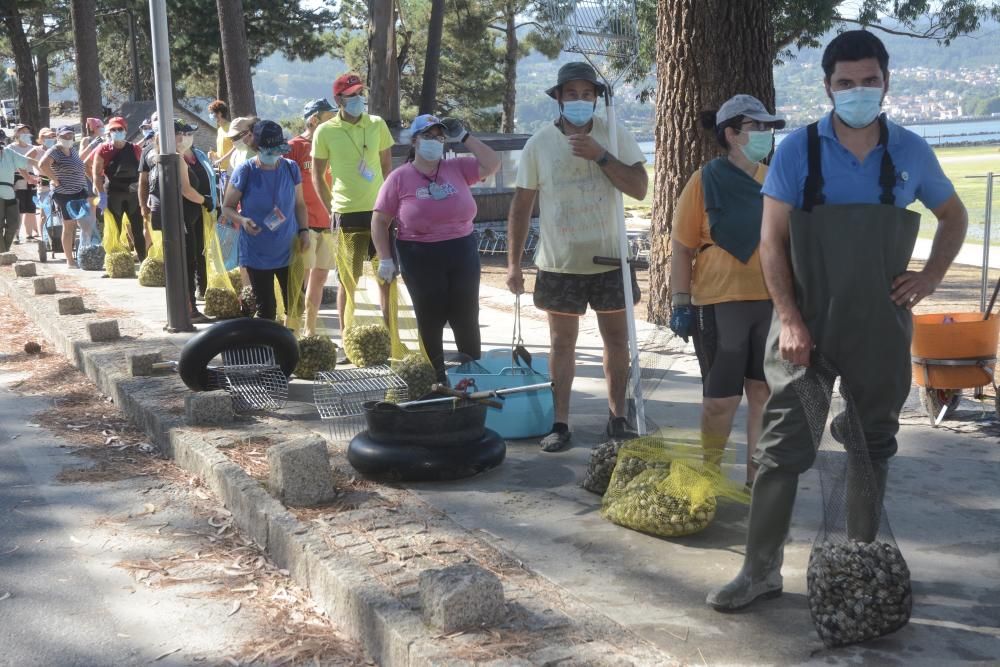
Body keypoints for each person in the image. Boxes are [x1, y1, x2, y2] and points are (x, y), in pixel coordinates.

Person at [706, 31, 968, 613]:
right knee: (780, 450)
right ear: (828, 87)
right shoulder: (798, 151)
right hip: (806, 324)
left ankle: (859, 565)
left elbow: (953, 215)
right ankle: (758, 571)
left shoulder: (909, 152)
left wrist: (927, 277)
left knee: (873, 444)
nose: (857, 91)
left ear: (885, 82)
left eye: (868, 80)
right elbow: (772, 244)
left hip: (878, 325)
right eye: (845, 82)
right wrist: (790, 320)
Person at [506, 61, 648, 452]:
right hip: (560, 262)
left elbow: (638, 187)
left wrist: (601, 156)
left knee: (617, 341)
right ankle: (560, 422)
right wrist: (514, 264)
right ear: (559, 99)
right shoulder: (539, 143)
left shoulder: (613, 133)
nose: (580, 101)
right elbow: (521, 206)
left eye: (588, 95)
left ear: (597, 100)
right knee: (561, 343)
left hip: (610, 261)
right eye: (572, 94)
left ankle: (618, 418)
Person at [669, 95, 785, 489]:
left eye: (768, 129)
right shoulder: (705, 180)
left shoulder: (776, 180)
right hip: (718, 304)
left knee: (763, 395)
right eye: (757, 128)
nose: (765, 136)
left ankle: (758, 482)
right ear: (732, 134)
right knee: (719, 401)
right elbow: (682, 247)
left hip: (770, 301)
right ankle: (710, 476)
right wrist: (680, 301)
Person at [372, 114, 500, 381]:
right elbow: (380, 220)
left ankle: (470, 376)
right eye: (428, 136)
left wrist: (464, 136)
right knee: (430, 318)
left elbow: (492, 163)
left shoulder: (457, 167)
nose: (434, 142)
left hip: (461, 250)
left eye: (439, 137)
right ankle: (435, 379)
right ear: (415, 141)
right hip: (419, 254)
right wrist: (385, 259)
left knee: (466, 316)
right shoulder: (400, 177)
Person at [311, 72, 395, 340]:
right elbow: (317, 173)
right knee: (349, 280)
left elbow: (386, 165)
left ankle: (391, 336)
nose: (358, 99)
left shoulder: (377, 124)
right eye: (351, 95)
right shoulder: (325, 131)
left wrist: (387, 203)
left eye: (360, 93)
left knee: (386, 276)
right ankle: (347, 336)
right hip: (346, 213)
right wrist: (330, 207)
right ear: (339, 100)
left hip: (379, 214)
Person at [222, 120, 309, 321]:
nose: (275, 155)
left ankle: (289, 346)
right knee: (267, 310)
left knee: (295, 306)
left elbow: (300, 205)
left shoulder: (291, 168)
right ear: (257, 147)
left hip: (288, 249)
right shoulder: (245, 171)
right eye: (269, 150)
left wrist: (304, 231)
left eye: (278, 150)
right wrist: (242, 220)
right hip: (256, 252)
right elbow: (227, 208)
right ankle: (267, 349)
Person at [141, 119, 212, 322]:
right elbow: (186, 190)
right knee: (186, 264)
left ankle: (182, 308)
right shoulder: (176, 159)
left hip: (171, 220)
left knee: (177, 264)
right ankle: (188, 310)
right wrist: (206, 201)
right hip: (180, 220)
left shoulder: (156, 156)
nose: (185, 137)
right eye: (181, 134)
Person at [286, 98, 337, 335]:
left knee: (320, 279)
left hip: (328, 224)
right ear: (314, 119)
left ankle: (311, 330)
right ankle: (292, 331)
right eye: (329, 116)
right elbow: (286, 188)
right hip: (303, 226)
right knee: (300, 280)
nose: (335, 120)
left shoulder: (334, 145)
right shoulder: (295, 146)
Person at [93, 116, 146, 261]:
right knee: (113, 230)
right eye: (113, 129)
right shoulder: (103, 149)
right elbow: (97, 174)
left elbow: (143, 173)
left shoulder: (135, 148)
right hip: (113, 194)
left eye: (119, 129)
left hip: (133, 195)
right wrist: (101, 195)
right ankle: (113, 263)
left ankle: (143, 262)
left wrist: (143, 195)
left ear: (125, 130)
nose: (116, 131)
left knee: (137, 231)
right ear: (109, 132)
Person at [39, 126, 93, 266]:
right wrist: (55, 180)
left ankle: (85, 255)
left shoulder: (73, 150)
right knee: (69, 226)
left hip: (80, 191)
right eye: (65, 136)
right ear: (58, 137)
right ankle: (70, 260)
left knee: (86, 224)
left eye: (70, 136)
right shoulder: (55, 151)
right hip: (64, 193)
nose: (68, 138)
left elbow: (81, 167)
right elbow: (43, 165)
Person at [0, 136, 39, 253]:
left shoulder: (8, 152)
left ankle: (4, 251)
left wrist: (47, 164)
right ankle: (3, 254)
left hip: (10, 193)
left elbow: (24, 162)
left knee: (14, 224)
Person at [10, 124, 40, 242]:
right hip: (17, 183)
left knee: (31, 209)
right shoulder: (10, 148)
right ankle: (16, 234)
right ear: (16, 134)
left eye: (27, 131)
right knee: (19, 210)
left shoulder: (33, 148)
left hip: (31, 182)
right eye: (23, 132)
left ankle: (29, 234)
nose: (26, 134)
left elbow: (38, 164)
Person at [208, 100, 233, 172]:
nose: (211, 116)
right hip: (222, 169)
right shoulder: (220, 130)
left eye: (212, 113)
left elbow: (236, 147)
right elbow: (222, 152)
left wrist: (221, 159)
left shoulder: (231, 127)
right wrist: (213, 155)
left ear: (219, 113)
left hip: (231, 169)